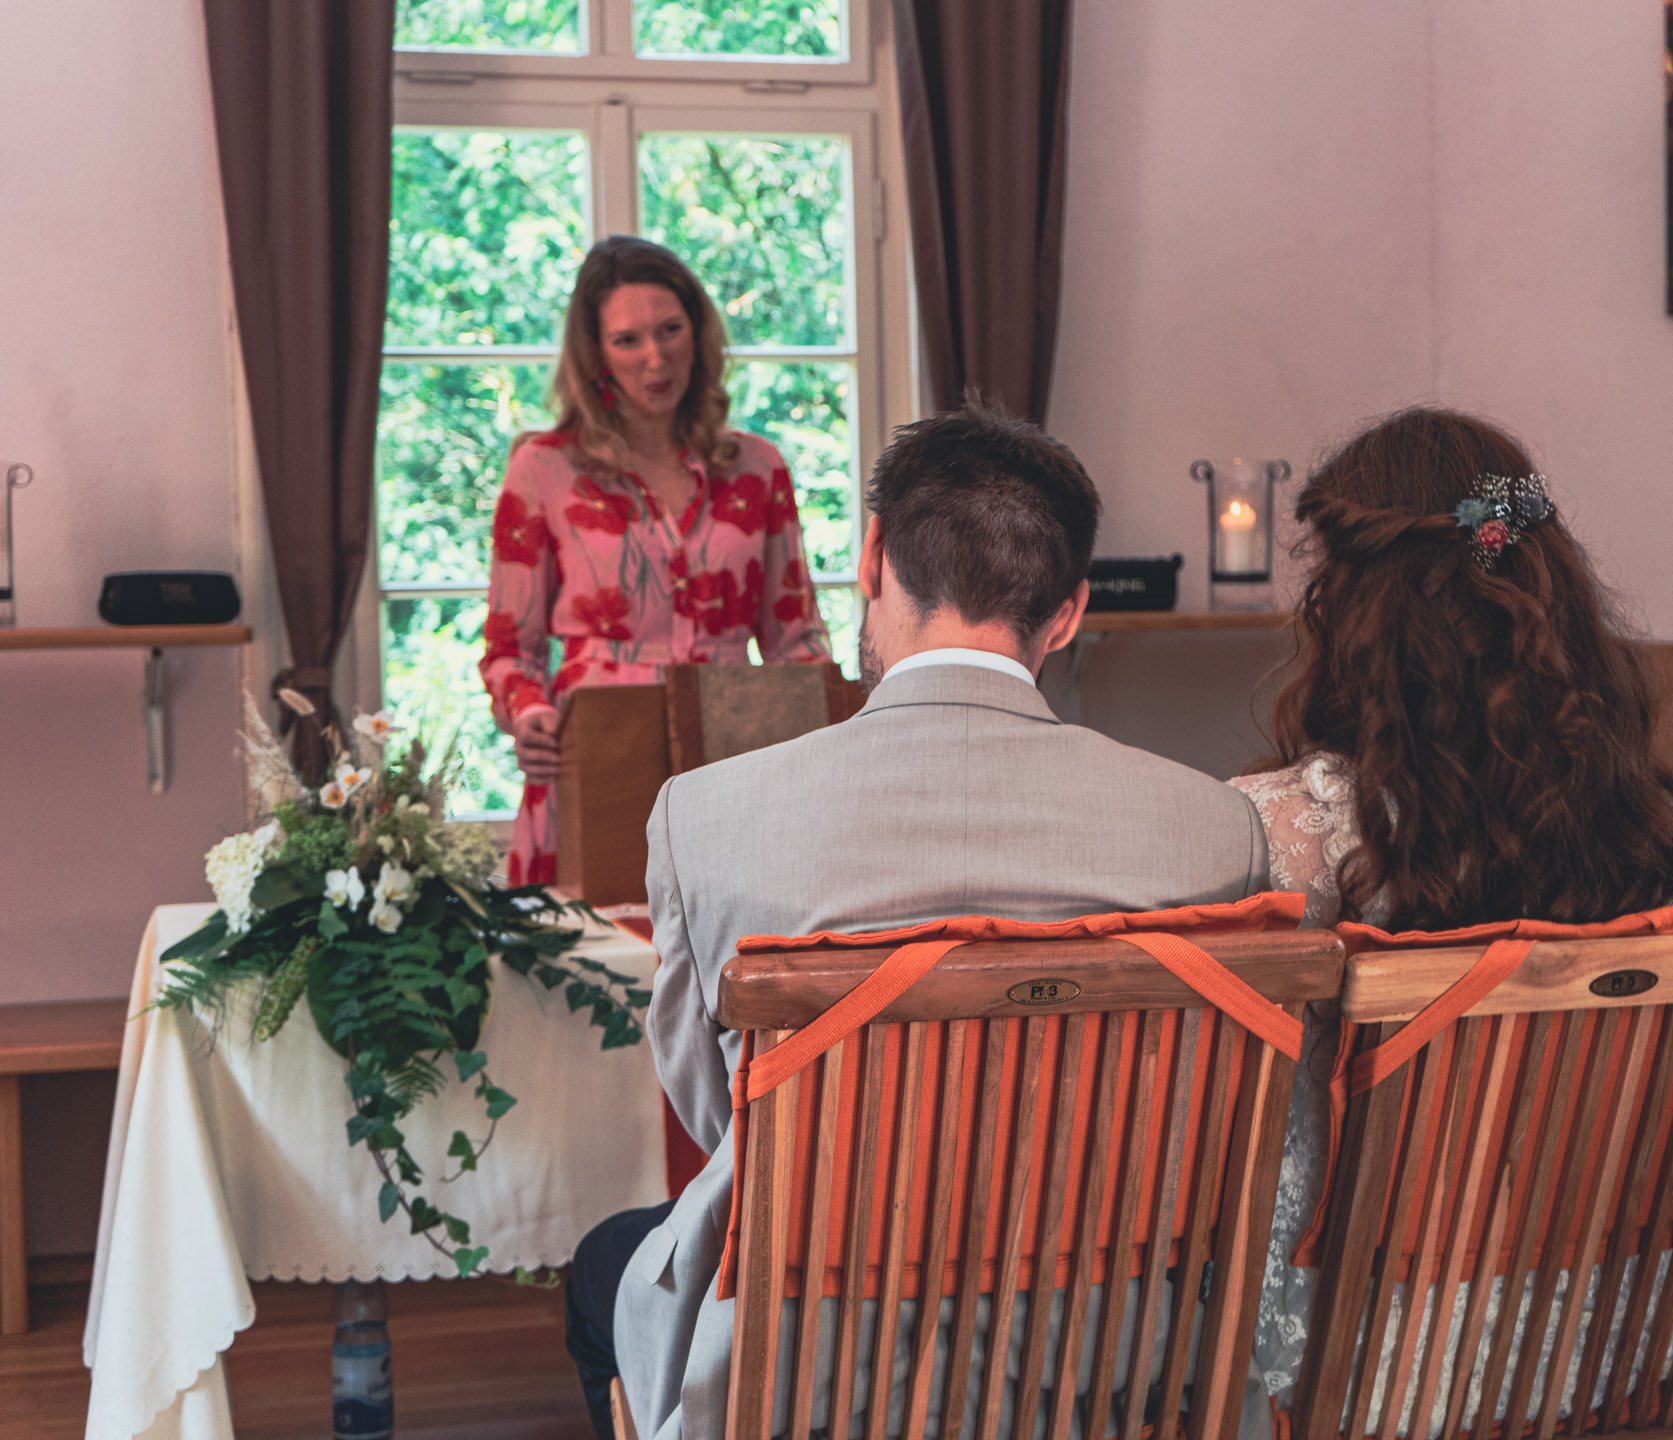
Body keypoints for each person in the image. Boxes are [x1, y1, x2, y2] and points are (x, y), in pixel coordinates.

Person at [565, 403, 1273, 1440]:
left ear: (871, 560)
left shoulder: (704, 818)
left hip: (807, 1366)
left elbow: (719, 1119)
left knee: (600, 1271)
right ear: (1069, 613)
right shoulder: (1214, 831)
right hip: (1100, 1360)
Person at [1228, 407, 1673, 1405]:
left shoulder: (1282, 834)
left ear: (1348, 603)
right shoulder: (1647, 829)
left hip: (1359, 1340)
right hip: (1599, 1330)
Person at [480, 235, 830, 886]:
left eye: (671, 330)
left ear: (698, 333)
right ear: (595, 355)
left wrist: (828, 747)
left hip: (732, 763)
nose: (656, 358)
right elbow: (509, 650)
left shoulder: (758, 467)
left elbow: (797, 641)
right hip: (593, 762)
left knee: (731, 947)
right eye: (628, 340)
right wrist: (528, 716)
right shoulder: (543, 469)